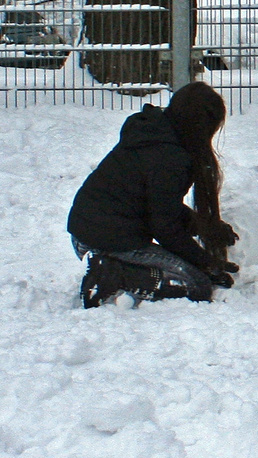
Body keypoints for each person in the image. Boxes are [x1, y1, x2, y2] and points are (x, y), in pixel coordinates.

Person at [67, 81, 237, 307]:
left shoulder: (157, 132)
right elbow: (165, 226)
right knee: (197, 285)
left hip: (93, 229)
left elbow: (162, 206)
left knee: (196, 274)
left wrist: (204, 226)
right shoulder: (170, 158)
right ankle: (112, 274)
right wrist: (206, 262)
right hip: (107, 237)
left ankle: (115, 267)